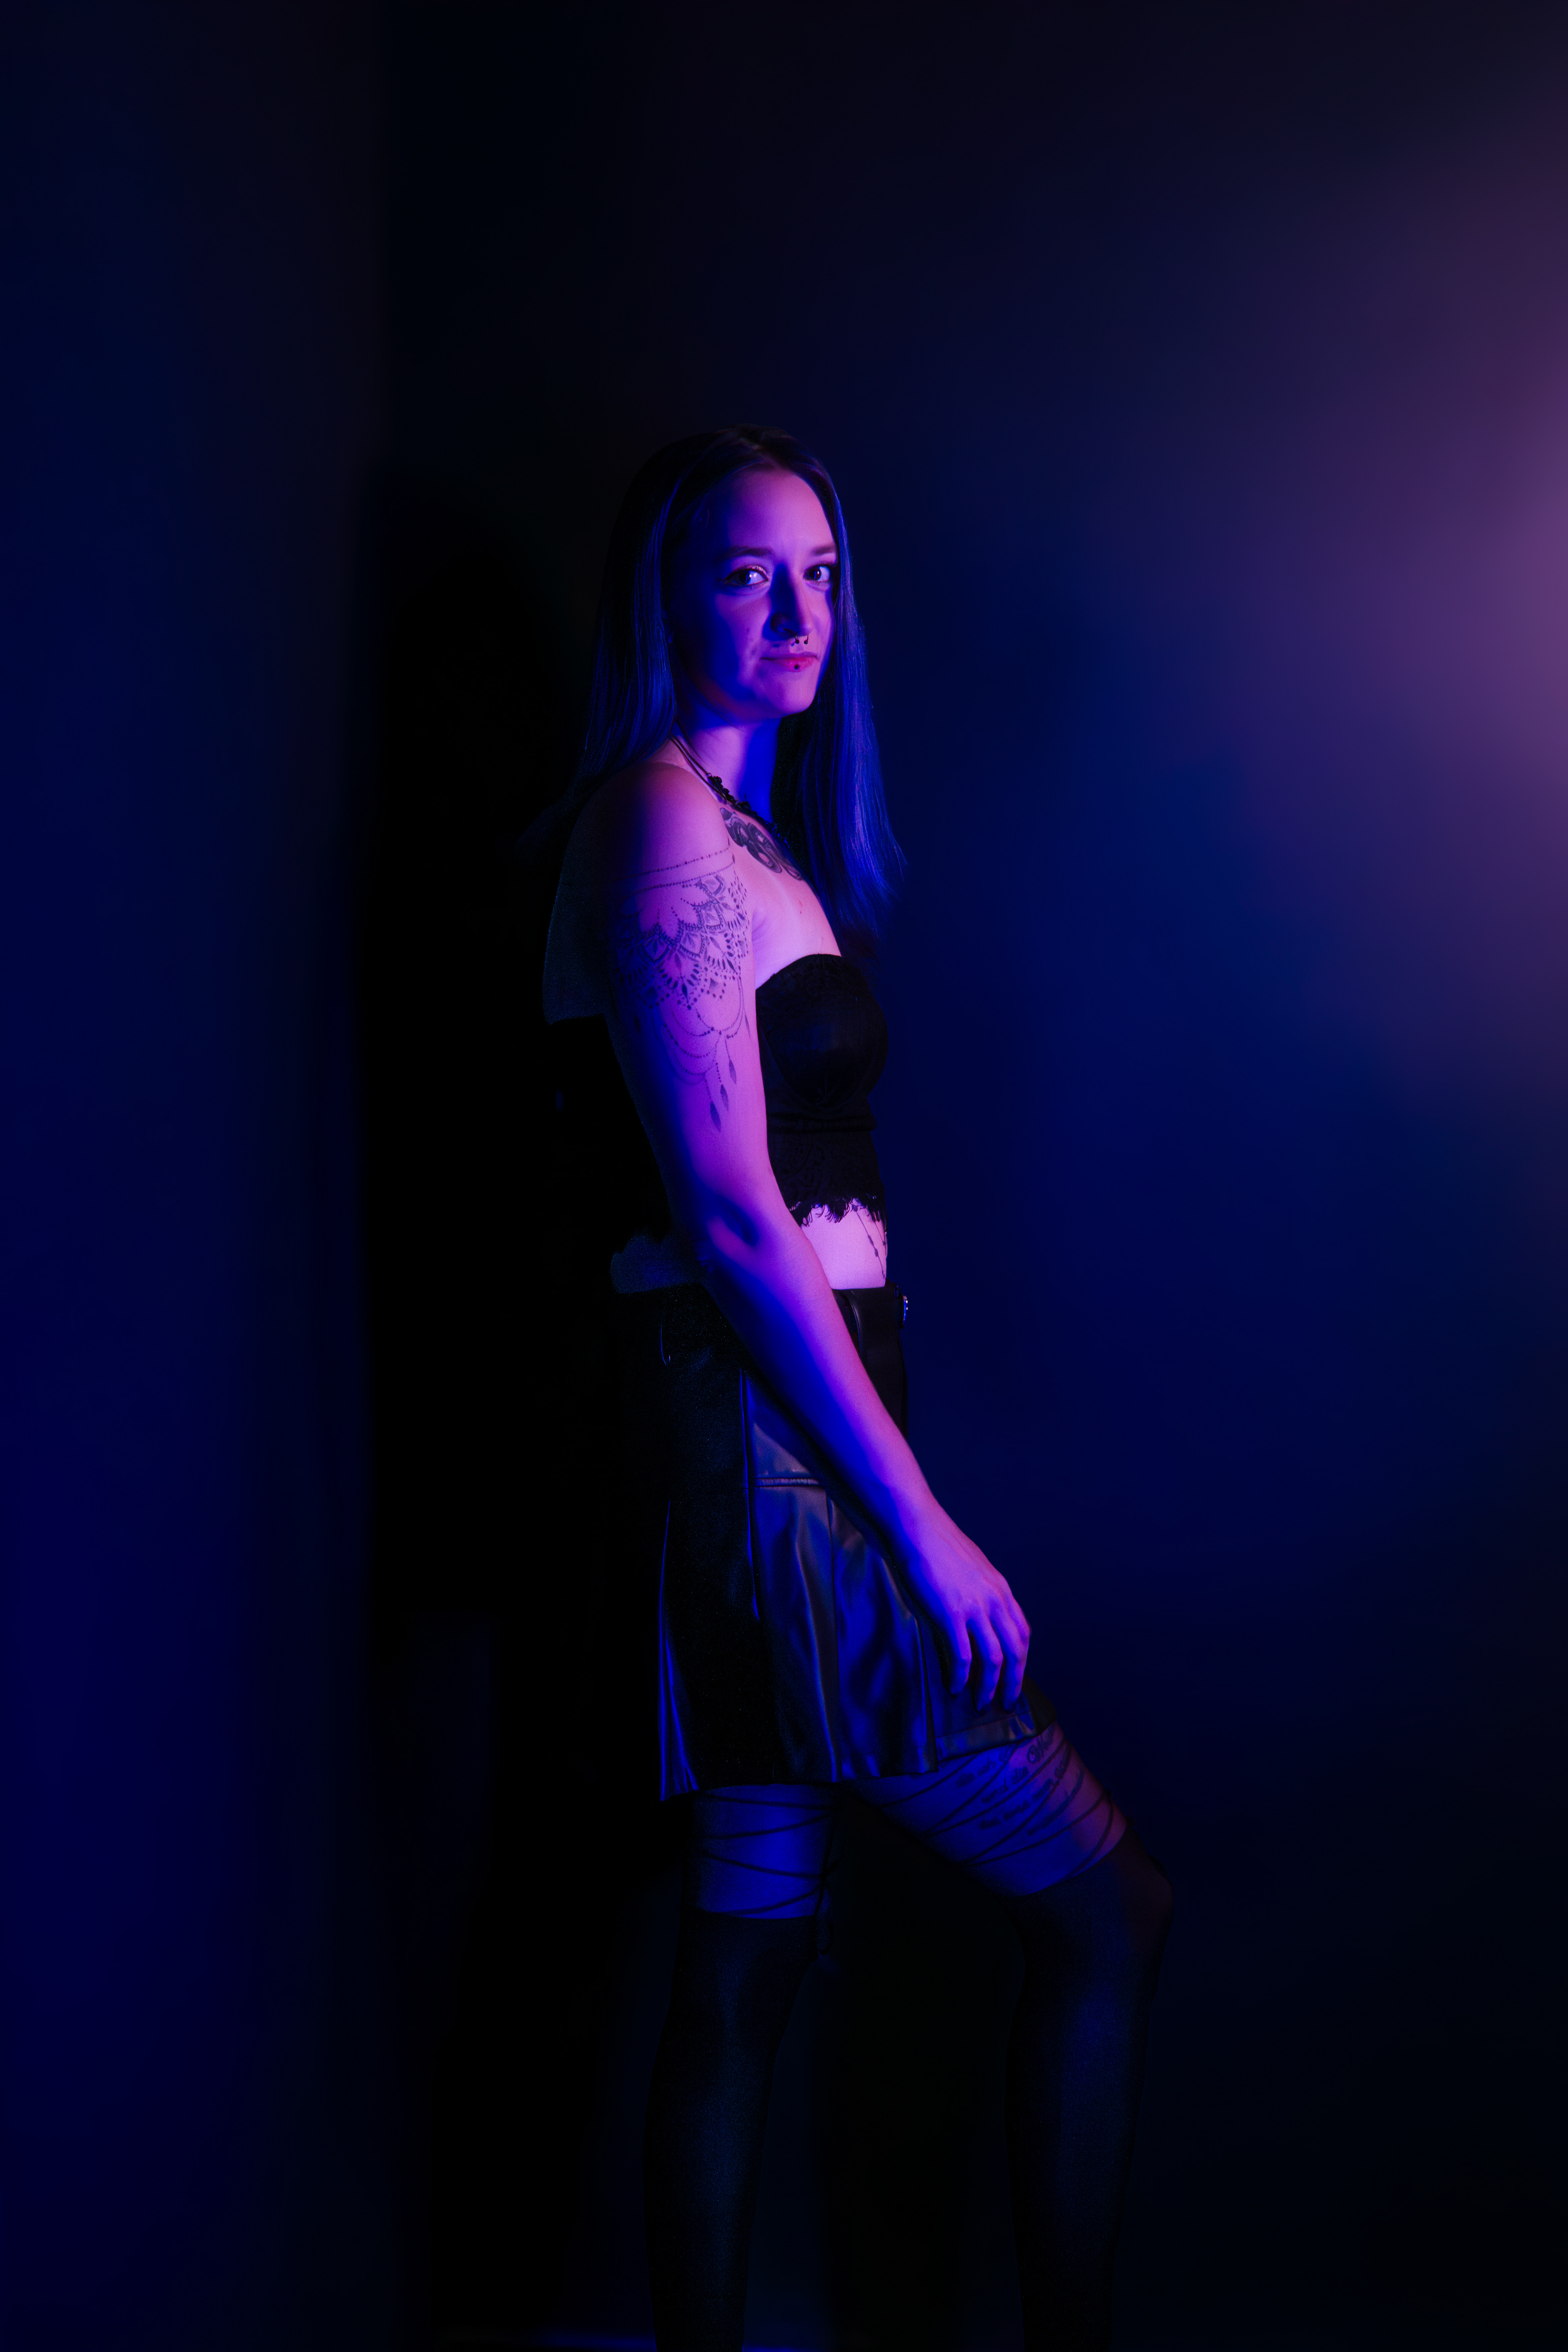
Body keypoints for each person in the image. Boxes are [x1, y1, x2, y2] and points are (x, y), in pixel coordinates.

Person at [537, 426, 1173, 2352]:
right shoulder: (660, 826)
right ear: (665, 596)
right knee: (1106, 1913)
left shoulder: (745, 837)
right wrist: (924, 1525)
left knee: (744, 1959)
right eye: (747, 573)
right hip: (777, 1472)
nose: (796, 612)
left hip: (777, 1446)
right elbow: (733, 1222)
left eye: (820, 572)